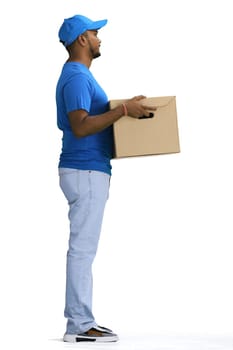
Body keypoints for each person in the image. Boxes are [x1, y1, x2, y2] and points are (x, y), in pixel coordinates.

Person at [56, 14, 156, 343]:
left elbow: (92, 122)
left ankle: (82, 321)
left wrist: (127, 111)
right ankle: (80, 326)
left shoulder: (80, 77)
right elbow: (82, 125)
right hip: (84, 171)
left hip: (89, 170)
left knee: (84, 250)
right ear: (82, 40)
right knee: (82, 251)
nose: (100, 39)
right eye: (95, 33)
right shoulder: (76, 77)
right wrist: (124, 111)